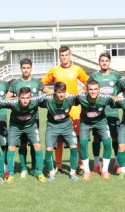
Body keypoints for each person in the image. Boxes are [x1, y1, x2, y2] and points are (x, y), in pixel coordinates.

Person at [41, 45, 88, 174]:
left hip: (74, 108)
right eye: (62, 55)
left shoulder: (77, 69)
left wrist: (78, 92)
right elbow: (41, 84)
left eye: (66, 55)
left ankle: (80, 164)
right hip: (58, 108)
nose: (64, 57)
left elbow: (89, 83)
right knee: (59, 138)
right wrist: (51, 92)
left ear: (70, 55)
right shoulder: (54, 70)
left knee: (77, 137)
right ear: (59, 56)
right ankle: (58, 165)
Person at [6, 58, 52, 178]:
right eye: (24, 68)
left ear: (31, 68)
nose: (26, 70)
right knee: (22, 144)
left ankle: (34, 168)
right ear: (21, 69)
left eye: (28, 68)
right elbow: (6, 98)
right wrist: (16, 100)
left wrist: (61, 94)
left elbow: (48, 91)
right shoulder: (15, 83)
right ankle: (24, 168)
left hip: (33, 119)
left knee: (34, 144)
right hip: (17, 120)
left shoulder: (37, 82)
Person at [0, 87, 46, 183]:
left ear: (31, 97)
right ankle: (11, 175)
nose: (25, 100)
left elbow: (50, 95)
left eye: (27, 97)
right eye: (23, 98)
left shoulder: (36, 100)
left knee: (37, 146)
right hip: (15, 127)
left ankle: (40, 173)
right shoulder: (13, 103)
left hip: (31, 127)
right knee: (11, 148)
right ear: (18, 98)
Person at [88, 53, 121, 174]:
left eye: (106, 60)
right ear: (99, 62)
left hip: (112, 112)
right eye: (102, 60)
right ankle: (97, 163)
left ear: (109, 62)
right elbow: (87, 90)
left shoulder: (116, 76)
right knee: (97, 138)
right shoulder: (93, 76)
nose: (104, 63)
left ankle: (117, 162)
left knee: (115, 137)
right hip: (97, 113)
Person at [39, 82, 79, 182]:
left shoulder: (70, 99)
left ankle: (73, 172)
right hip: (52, 127)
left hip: (67, 126)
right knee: (49, 150)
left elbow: (82, 98)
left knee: (74, 148)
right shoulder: (48, 99)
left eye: (63, 92)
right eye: (59, 92)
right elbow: (34, 101)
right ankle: (51, 174)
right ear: (55, 92)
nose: (61, 94)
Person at [75, 80, 114, 180]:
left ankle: (105, 170)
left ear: (99, 90)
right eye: (91, 89)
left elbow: (116, 102)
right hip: (85, 123)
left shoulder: (106, 98)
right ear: (86, 90)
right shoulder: (80, 98)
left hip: (101, 122)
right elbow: (69, 101)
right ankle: (87, 171)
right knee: (83, 144)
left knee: (107, 142)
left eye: (96, 89)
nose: (93, 92)